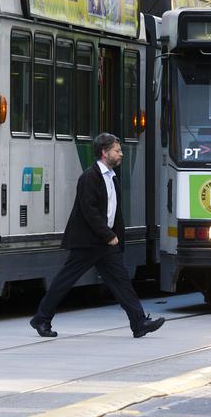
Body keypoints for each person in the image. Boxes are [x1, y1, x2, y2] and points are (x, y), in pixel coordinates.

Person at [30, 133, 165, 338]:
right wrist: (108, 234)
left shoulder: (112, 177)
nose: (121, 154)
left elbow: (114, 212)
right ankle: (41, 319)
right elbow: (89, 211)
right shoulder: (89, 177)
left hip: (105, 243)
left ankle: (139, 323)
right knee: (65, 281)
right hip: (88, 241)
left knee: (121, 282)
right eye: (117, 151)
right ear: (104, 152)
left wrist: (115, 238)